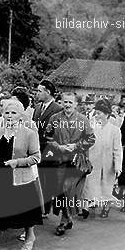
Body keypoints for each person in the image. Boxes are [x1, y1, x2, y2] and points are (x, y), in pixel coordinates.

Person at [0, 98, 42, 250]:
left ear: (20, 116)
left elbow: (36, 157)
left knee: (26, 215)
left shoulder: (29, 133)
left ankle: (30, 237)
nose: (9, 116)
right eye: (7, 112)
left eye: (13, 113)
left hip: (21, 180)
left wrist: (17, 162)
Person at [45, 92, 95, 234]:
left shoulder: (82, 119)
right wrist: (58, 146)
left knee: (68, 189)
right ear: (61, 102)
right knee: (60, 191)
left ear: (76, 104)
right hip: (60, 159)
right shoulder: (55, 118)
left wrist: (77, 146)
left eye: (70, 102)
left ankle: (63, 221)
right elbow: (48, 137)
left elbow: (91, 138)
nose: (67, 105)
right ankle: (67, 218)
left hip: (77, 161)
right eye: (65, 102)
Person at [81, 100, 122, 218]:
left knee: (106, 185)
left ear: (107, 114)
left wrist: (118, 166)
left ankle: (106, 207)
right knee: (90, 184)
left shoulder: (115, 130)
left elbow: (117, 150)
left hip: (108, 163)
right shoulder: (92, 127)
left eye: (99, 113)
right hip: (93, 160)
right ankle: (86, 207)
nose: (97, 116)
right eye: (96, 113)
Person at [32, 79, 63, 216]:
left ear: (48, 92)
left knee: (49, 179)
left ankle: (46, 208)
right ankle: (39, 206)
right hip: (36, 147)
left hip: (50, 149)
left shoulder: (58, 109)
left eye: (39, 91)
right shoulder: (37, 107)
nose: (37, 93)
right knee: (38, 177)